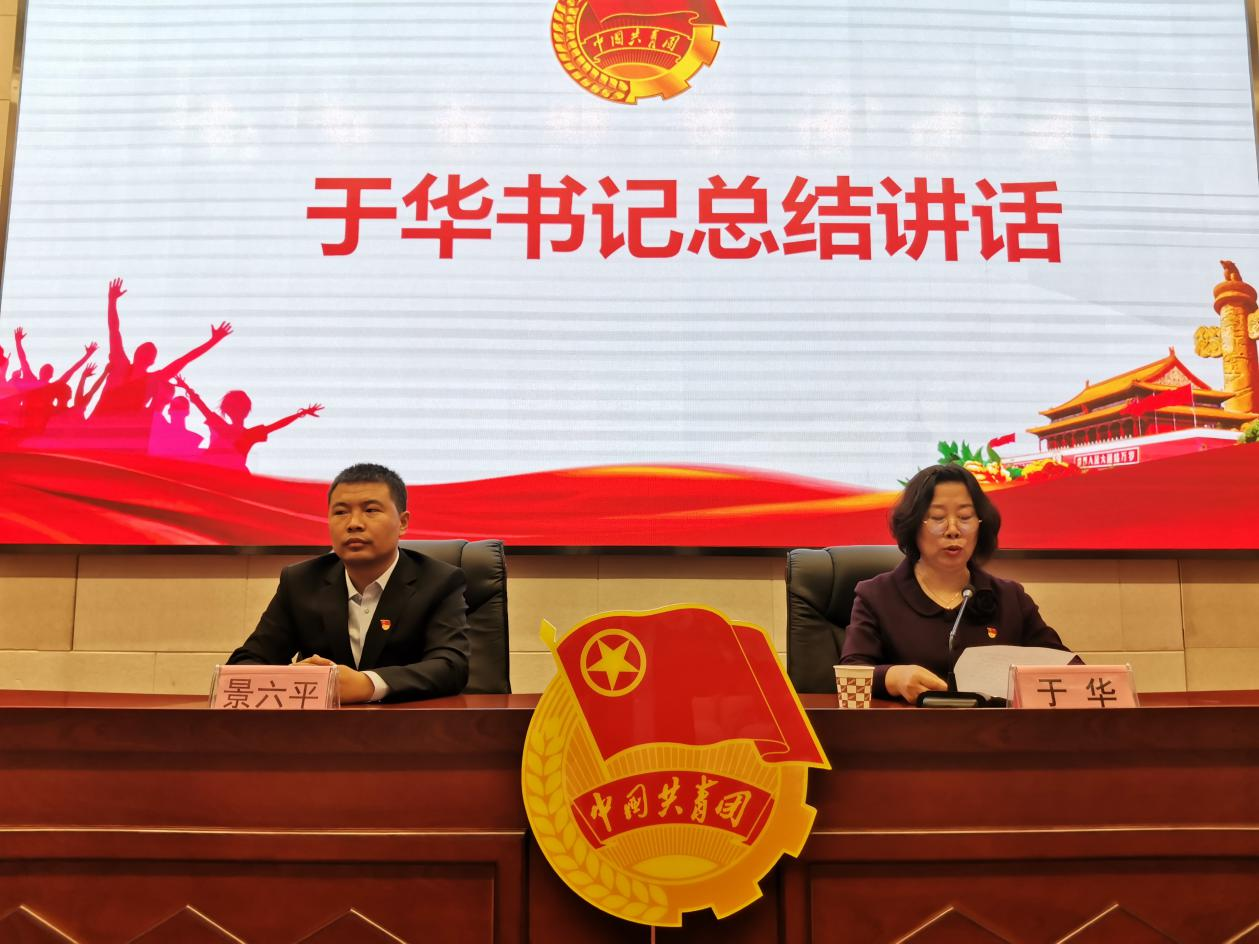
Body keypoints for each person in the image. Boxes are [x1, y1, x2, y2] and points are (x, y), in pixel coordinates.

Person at [227, 462, 470, 703]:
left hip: (411, 722)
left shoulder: (439, 581)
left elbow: (451, 666)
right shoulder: (301, 581)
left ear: (403, 522)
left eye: (371, 510)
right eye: (341, 512)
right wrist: (292, 678)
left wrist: (368, 684)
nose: (354, 523)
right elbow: (245, 663)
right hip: (324, 725)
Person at [840, 464, 1070, 703]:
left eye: (965, 517)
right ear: (913, 524)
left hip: (995, 726)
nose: (953, 530)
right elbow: (849, 676)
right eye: (938, 518)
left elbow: (1069, 670)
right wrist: (892, 677)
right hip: (908, 725)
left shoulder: (1010, 598)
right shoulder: (877, 596)